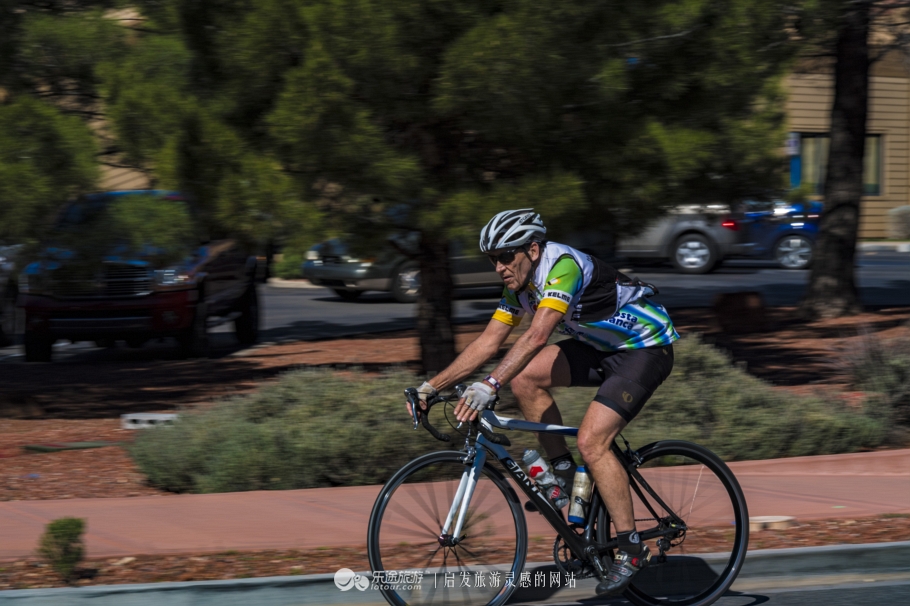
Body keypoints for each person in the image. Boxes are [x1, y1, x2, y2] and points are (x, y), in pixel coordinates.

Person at [407, 208, 678, 596]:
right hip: (599, 348)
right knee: (527, 380)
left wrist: (489, 384)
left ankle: (632, 548)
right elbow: (489, 341)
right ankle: (567, 476)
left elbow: (537, 337)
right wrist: (429, 387)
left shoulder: (562, 267)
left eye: (505, 256)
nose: (499, 267)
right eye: (492, 259)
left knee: (592, 441)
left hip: (644, 348)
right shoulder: (519, 286)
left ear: (532, 250)